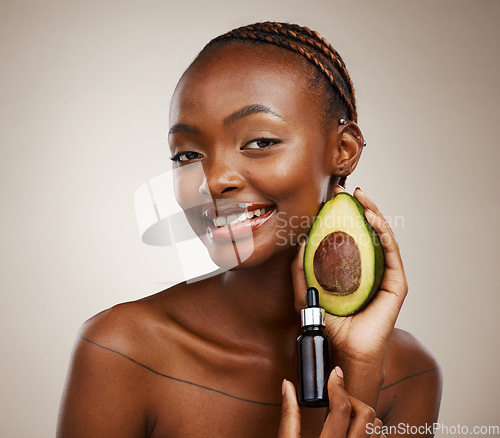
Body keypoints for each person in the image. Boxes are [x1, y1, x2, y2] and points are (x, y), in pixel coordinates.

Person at [57, 22, 442, 437]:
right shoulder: (121, 351)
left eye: (259, 142)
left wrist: (360, 367)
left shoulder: (410, 374)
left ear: (343, 150)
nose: (214, 179)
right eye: (187, 153)